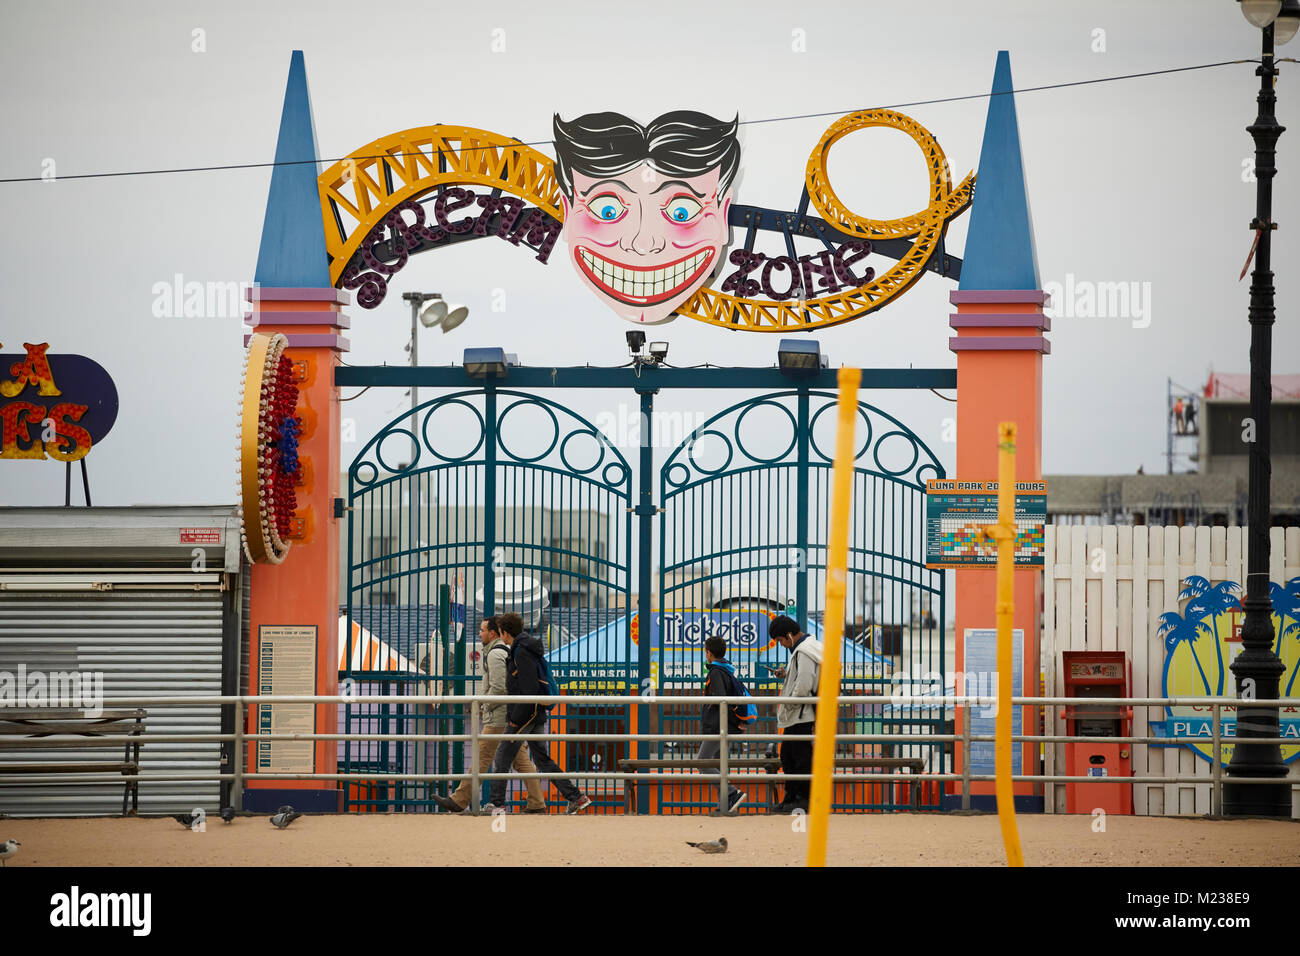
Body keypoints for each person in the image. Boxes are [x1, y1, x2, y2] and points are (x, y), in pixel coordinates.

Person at [433, 616, 547, 815]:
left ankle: (459, 800)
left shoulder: (494, 655)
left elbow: (499, 688)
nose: (479, 633)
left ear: (493, 633)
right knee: (521, 761)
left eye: (482, 630)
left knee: (481, 756)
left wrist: (483, 705)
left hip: (497, 716)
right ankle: (537, 802)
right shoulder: (503, 651)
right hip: (507, 714)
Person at [484, 612, 592, 814]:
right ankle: (576, 797)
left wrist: (515, 720)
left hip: (525, 714)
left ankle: (496, 804)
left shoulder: (520, 652)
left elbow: (529, 689)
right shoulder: (527, 648)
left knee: (502, 757)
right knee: (543, 759)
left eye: (501, 633)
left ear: (505, 633)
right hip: (535, 712)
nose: (501, 636)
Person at [768, 615, 823, 814]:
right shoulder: (808, 648)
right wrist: (786, 674)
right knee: (790, 757)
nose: (782, 645)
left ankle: (801, 799)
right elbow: (803, 677)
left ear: (789, 635)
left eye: (781, 640)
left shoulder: (803, 651)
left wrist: (789, 703)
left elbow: (804, 684)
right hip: (801, 714)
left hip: (801, 714)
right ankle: (791, 797)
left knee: (798, 759)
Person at [698, 635, 748, 814]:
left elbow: (722, 699)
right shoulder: (727, 670)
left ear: (709, 653)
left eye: (705, 651)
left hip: (717, 726)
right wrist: (739, 721)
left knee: (702, 762)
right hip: (724, 724)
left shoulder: (716, 672)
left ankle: (732, 792)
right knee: (719, 765)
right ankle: (725, 807)